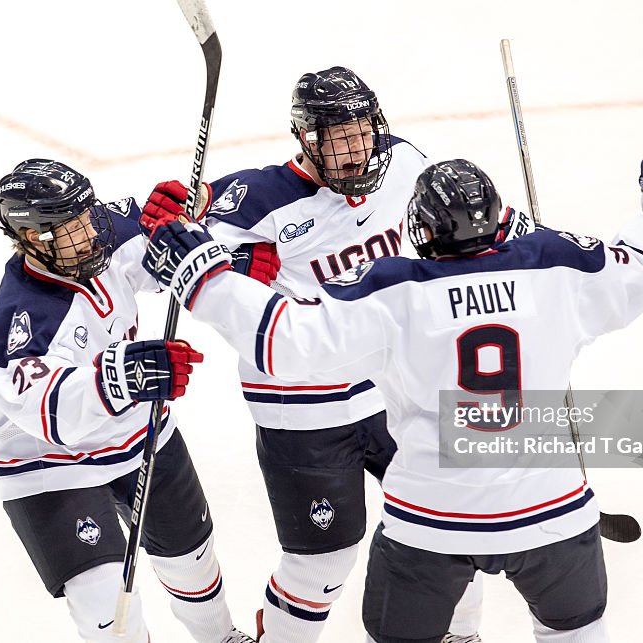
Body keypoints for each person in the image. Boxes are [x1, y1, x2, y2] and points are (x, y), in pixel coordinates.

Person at [140, 155, 643, 642]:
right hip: (553, 513)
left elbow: (287, 341)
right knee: (578, 633)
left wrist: (202, 273)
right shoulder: (556, 266)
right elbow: (637, 262)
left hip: (433, 522)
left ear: (424, 232)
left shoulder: (393, 291)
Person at [140, 66, 484, 643]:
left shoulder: (406, 163)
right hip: (303, 410)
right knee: (326, 561)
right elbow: (164, 256)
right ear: (305, 138)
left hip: (397, 388)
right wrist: (176, 222)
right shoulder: (261, 197)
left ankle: (461, 635)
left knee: (456, 522)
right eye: (336, 137)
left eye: (362, 131)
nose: (355, 150)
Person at [0, 159, 254, 643]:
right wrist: (124, 376)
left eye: (88, 216)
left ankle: (221, 638)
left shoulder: (99, 237)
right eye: (71, 227)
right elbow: (51, 412)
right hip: (48, 465)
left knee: (193, 561)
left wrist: (197, 238)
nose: (90, 232)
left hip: (137, 432)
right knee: (105, 608)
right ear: (33, 238)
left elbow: (158, 253)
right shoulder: (20, 321)